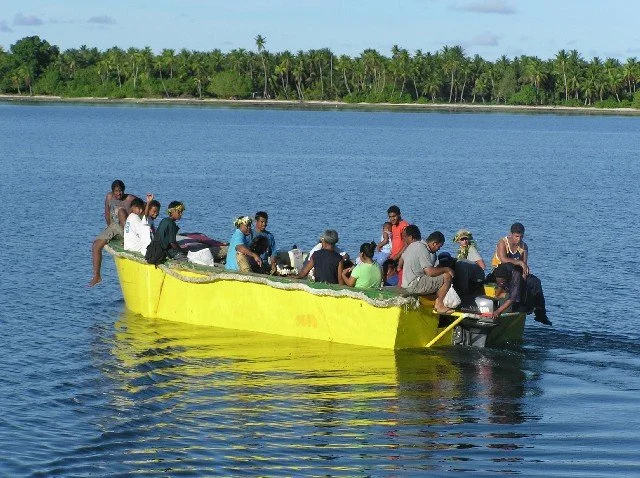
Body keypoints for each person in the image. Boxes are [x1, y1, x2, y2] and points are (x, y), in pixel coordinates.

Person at [490, 223, 551, 325]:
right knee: (513, 270)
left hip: (516, 272)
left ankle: (540, 313)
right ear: (511, 234)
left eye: (521, 237)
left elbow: (524, 266)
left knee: (535, 281)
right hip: (501, 271)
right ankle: (511, 301)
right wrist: (519, 262)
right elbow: (503, 259)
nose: (518, 239)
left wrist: (524, 277)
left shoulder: (524, 246)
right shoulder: (503, 242)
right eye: (516, 236)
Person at [90, 179, 138, 287]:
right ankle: (97, 275)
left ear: (124, 190)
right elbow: (107, 213)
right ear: (112, 191)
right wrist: (109, 230)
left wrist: (149, 202)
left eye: (120, 191)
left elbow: (143, 207)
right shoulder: (109, 197)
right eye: (116, 191)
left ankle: (127, 239)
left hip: (126, 228)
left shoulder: (130, 198)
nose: (118, 193)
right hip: (113, 226)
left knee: (121, 211)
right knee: (96, 245)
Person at [400, 226, 454, 314]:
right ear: (434, 243)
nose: (438, 249)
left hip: (406, 283)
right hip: (414, 284)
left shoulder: (413, 244)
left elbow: (400, 263)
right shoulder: (423, 249)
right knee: (447, 276)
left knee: (440, 275)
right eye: (439, 247)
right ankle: (439, 305)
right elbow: (430, 272)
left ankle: (437, 301)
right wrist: (446, 269)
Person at [452, 229, 486, 298]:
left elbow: (482, 266)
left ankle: (464, 293)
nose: (465, 241)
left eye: (466, 239)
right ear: (458, 241)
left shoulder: (471, 249)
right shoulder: (461, 250)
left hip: (474, 277)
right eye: (462, 239)